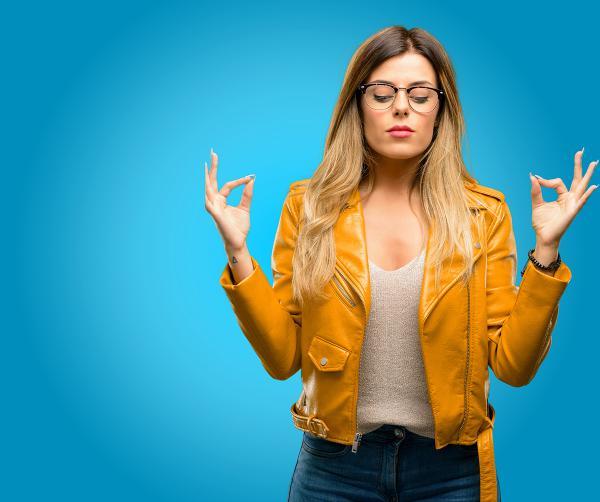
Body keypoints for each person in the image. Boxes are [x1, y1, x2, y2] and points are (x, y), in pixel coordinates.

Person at [205, 25, 597, 502]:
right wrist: (238, 253)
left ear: (441, 109)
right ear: (357, 105)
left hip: (451, 470)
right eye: (383, 92)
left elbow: (513, 366)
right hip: (332, 467)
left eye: (419, 94)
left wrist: (547, 253)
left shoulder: (483, 214)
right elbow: (283, 357)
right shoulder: (309, 207)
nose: (401, 108)